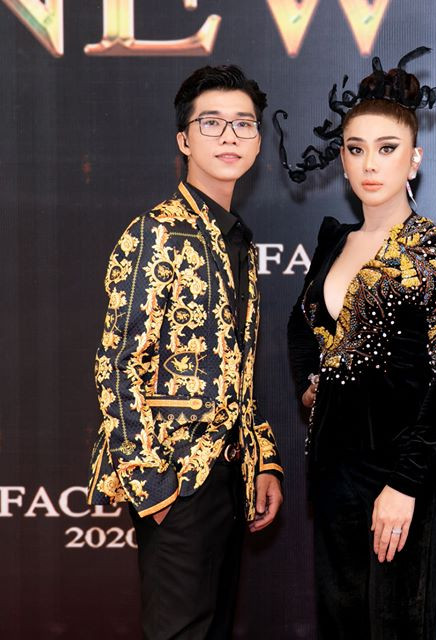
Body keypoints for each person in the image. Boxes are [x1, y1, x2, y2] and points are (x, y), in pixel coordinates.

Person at [282, 47, 436, 640]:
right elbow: (302, 331)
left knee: (398, 625)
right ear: (342, 160)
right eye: (356, 149)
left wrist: (406, 483)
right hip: (333, 472)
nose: (370, 164)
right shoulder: (334, 242)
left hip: (402, 473)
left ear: (414, 159)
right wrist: (312, 386)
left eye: (387, 149)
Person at [87, 65, 283, 639]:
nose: (229, 136)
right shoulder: (155, 232)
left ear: (258, 141)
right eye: (212, 123)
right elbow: (117, 364)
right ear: (184, 140)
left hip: (230, 476)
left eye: (243, 124)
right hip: (175, 479)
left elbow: (239, 370)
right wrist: (154, 485)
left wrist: (263, 459)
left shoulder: (238, 239)